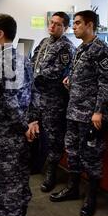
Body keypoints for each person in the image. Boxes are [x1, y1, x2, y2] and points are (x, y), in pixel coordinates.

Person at [50, 10, 108, 216]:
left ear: (89, 25)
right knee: (73, 152)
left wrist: (97, 111)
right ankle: (73, 188)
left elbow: (106, 84)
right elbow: (82, 76)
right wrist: (70, 81)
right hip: (73, 111)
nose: (74, 27)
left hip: (89, 115)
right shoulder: (80, 48)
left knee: (91, 156)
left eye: (77, 23)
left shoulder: (101, 50)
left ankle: (92, 197)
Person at [0, 13, 35, 216]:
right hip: (24, 135)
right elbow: (32, 94)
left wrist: (23, 126)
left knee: (5, 189)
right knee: (21, 180)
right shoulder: (23, 57)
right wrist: (30, 124)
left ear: (0, 34)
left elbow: (8, 103)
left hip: (6, 137)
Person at [28, 12, 75, 192]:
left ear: (65, 28)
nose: (52, 26)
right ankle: (35, 164)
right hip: (37, 97)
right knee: (34, 131)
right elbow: (33, 62)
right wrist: (32, 73)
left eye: (57, 24)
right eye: (51, 23)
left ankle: (51, 173)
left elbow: (56, 73)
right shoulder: (44, 42)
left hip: (54, 100)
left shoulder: (67, 47)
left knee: (54, 138)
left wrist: (36, 75)